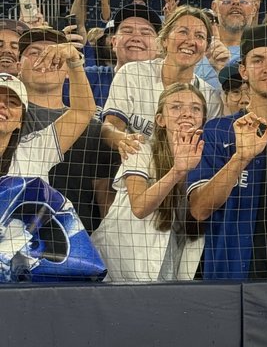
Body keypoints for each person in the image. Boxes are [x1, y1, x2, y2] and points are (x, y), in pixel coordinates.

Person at [187, 25, 267, 280]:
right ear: (244, 70)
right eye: (257, 60)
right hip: (233, 276)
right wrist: (240, 158)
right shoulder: (217, 132)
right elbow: (200, 209)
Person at [92, 84, 207, 283]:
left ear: (204, 119)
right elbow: (139, 207)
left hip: (171, 257)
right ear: (160, 120)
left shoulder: (207, 157)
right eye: (176, 107)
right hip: (121, 259)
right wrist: (177, 171)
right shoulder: (139, 149)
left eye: (196, 108)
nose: (187, 113)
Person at [16, 26, 118, 231]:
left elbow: (104, 198)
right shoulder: (8, 117)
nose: (44, 60)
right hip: (12, 236)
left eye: (55, 55)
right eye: (34, 53)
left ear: (67, 71)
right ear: (18, 66)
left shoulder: (94, 129)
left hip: (75, 247)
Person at [101, 6, 221, 153]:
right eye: (183, 32)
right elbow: (110, 126)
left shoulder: (210, 97)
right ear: (164, 40)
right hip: (134, 164)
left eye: (199, 36)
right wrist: (122, 139)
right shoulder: (132, 73)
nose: (190, 41)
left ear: (206, 49)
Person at [0, 40, 95, 181]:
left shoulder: (34, 152)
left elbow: (82, 111)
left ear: (20, 121)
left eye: (12, 103)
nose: (2, 105)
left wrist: (74, 61)